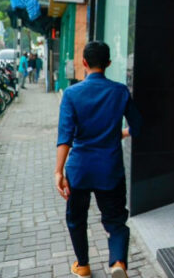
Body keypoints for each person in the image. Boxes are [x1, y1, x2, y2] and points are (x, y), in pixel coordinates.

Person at [55, 41, 142, 278]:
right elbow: (138, 126)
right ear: (109, 63)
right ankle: (118, 263)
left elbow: (65, 136)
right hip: (110, 168)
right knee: (115, 221)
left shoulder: (71, 94)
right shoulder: (120, 91)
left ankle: (83, 265)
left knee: (76, 218)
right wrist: (120, 133)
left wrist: (58, 172)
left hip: (79, 170)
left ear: (84, 62)